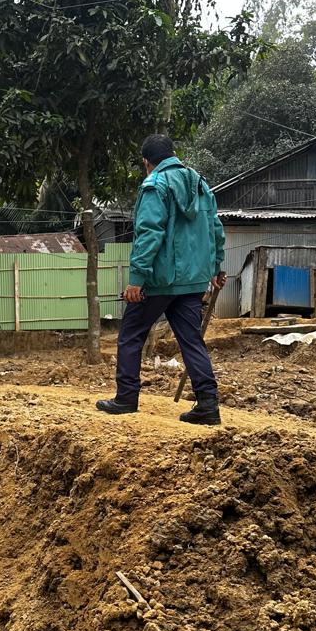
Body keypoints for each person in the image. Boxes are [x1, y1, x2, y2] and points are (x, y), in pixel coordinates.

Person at [96, 134, 225, 426]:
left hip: (160, 280)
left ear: (146, 162)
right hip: (194, 281)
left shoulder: (155, 185)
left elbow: (149, 234)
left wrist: (137, 279)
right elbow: (215, 228)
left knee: (130, 335)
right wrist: (217, 266)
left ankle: (126, 398)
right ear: (172, 154)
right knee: (191, 340)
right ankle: (208, 404)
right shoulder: (200, 184)